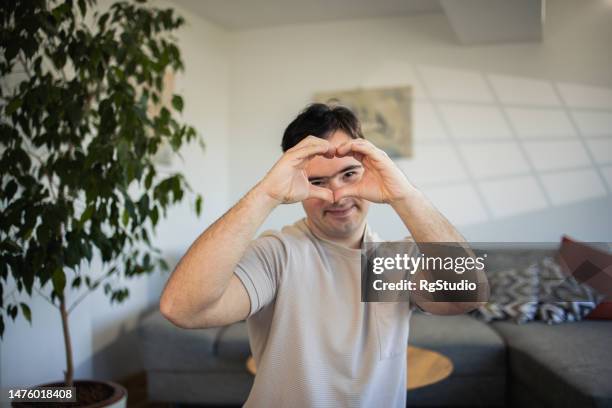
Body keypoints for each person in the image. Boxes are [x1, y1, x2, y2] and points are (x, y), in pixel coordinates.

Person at [160, 103, 489, 407]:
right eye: (317, 182)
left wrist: (403, 194)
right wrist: (267, 193)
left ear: (368, 170)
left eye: (349, 174)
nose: (337, 195)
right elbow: (182, 309)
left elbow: (468, 296)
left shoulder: (393, 259)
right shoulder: (277, 254)